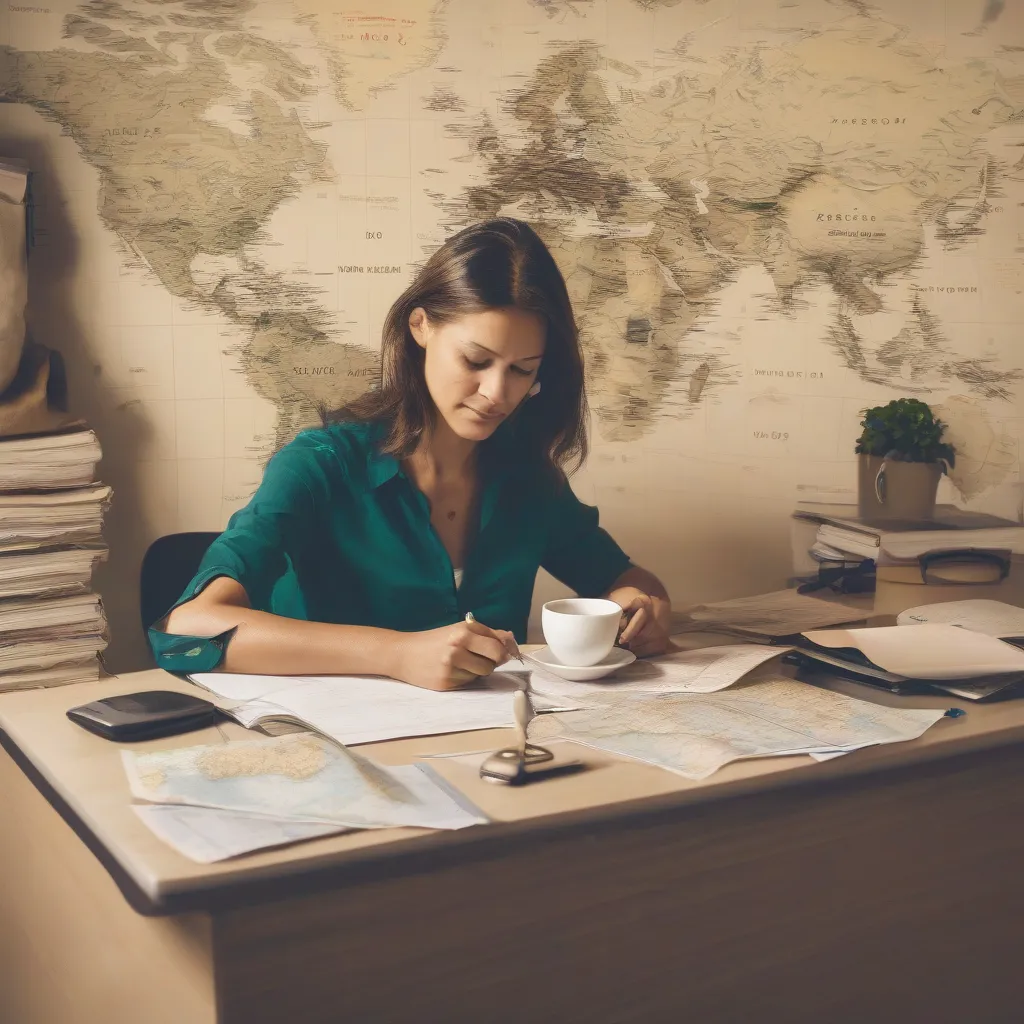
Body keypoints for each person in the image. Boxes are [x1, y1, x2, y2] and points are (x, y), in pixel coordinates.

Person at [151, 218, 672, 690]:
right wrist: (394, 654)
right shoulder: (320, 466)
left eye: (522, 369)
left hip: (493, 750)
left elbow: (626, 580)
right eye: (476, 359)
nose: (496, 392)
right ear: (420, 326)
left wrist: (640, 611)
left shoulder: (527, 476)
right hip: (335, 753)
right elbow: (187, 630)